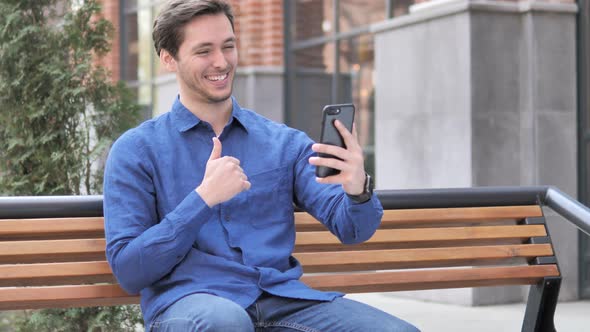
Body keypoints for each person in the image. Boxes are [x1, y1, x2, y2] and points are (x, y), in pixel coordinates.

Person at [103, 1, 419, 331]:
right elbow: (130, 271)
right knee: (225, 323)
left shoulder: (283, 144)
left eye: (228, 46)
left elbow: (353, 229)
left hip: (281, 300)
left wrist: (356, 189)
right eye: (204, 51)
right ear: (169, 59)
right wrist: (203, 199)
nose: (221, 61)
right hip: (191, 303)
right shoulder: (136, 150)